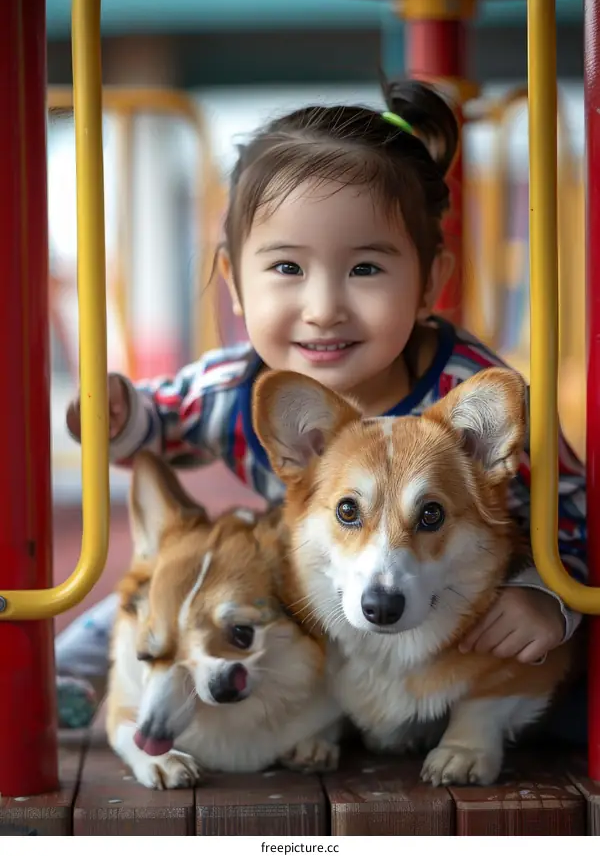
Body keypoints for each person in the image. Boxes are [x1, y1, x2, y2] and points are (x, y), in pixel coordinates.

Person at [57, 78, 587, 739]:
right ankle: (71, 675)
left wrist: (548, 597)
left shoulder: (470, 388)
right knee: (188, 577)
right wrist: (118, 415)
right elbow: (163, 418)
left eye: (365, 269)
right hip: (303, 581)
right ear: (235, 285)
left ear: (431, 284)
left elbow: (570, 501)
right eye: (287, 268)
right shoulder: (235, 383)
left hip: (438, 601)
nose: (323, 306)